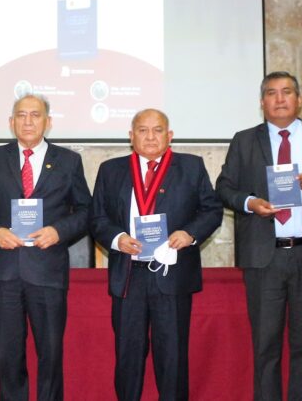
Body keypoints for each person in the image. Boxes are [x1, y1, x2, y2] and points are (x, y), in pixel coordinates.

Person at [216, 71, 302, 401]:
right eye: (271, 93)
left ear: (299, 99)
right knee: (265, 346)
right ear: (262, 102)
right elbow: (224, 188)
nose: (279, 99)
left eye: (287, 92)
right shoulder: (244, 141)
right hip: (265, 257)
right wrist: (250, 203)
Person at [90, 109, 223, 401]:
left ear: (169, 135)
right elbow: (97, 218)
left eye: (158, 130)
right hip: (129, 276)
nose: (150, 137)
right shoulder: (111, 170)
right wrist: (117, 239)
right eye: (142, 130)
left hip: (172, 276)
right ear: (131, 136)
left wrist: (189, 234)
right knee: (128, 356)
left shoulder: (191, 167)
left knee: (172, 357)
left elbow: (212, 210)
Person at [0, 93, 92, 401]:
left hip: (47, 269)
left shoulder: (68, 161)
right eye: (21, 115)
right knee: (8, 354)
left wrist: (58, 231)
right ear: (11, 122)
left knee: (50, 353)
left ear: (48, 122)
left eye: (35, 115)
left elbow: (85, 211)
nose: (28, 121)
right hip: (5, 269)